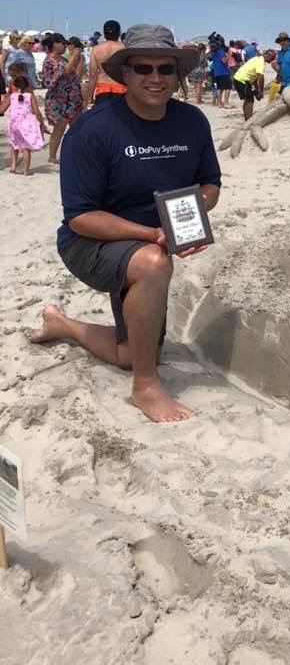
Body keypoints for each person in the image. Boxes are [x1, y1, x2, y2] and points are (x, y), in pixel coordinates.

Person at [31, 25, 221, 423]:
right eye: (143, 68)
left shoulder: (192, 122)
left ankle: (61, 323)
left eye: (165, 69)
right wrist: (153, 234)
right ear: (126, 73)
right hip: (89, 242)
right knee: (154, 263)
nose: (155, 78)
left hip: (152, 244)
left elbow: (210, 186)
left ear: (177, 74)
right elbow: (80, 217)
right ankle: (146, 389)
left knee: (130, 354)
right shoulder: (92, 129)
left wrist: (189, 218)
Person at [41, 33, 84, 163]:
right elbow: (64, 71)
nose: (65, 46)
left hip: (71, 99)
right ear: (55, 44)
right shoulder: (50, 59)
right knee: (59, 128)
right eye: (63, 44)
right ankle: (52, 156)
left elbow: (76, 75)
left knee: (77, 128)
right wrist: (75, 56)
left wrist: (79, 60)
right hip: (58, 100)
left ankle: (78, 155)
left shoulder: (62, 59)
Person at [0, 74, 48, 174]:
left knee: (14, 145)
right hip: (27, 125)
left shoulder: (12, 96)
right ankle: (25, 171)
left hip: (13, 124)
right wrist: (42, 124)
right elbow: (37, 112)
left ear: (14, 86)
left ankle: (13, 167)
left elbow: (2, 109)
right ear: (27, 86)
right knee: (26, 147)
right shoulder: (30, 97)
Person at [85, 20, 125, 106]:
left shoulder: (96, 49)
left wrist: (90, 96)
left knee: (104, 117)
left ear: (104, 33)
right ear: (119, 32)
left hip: (102, 89)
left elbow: (93, 74)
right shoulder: (125, 48)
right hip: (121, 88)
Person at [233, 49, 276, 120]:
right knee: (250, 100)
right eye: (273, 58)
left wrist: (257, 90)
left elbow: (255, 78)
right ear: (268, 55)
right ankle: (248, 120)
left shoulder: (258, 59)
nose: (273, 60)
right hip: (242, 80)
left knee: (248, 100)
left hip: (240, 79)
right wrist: (261, 92)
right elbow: (261, 77)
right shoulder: (260, 61)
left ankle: (247, 119)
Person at [209, 35, 232, 108]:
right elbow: (223, 60)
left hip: (217, 72)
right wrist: (229, 54)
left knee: (220, 88)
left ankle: (219, 103)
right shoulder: (220, 50)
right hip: (223, 72)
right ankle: (226, 103)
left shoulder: (213, 51)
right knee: (228, 87)